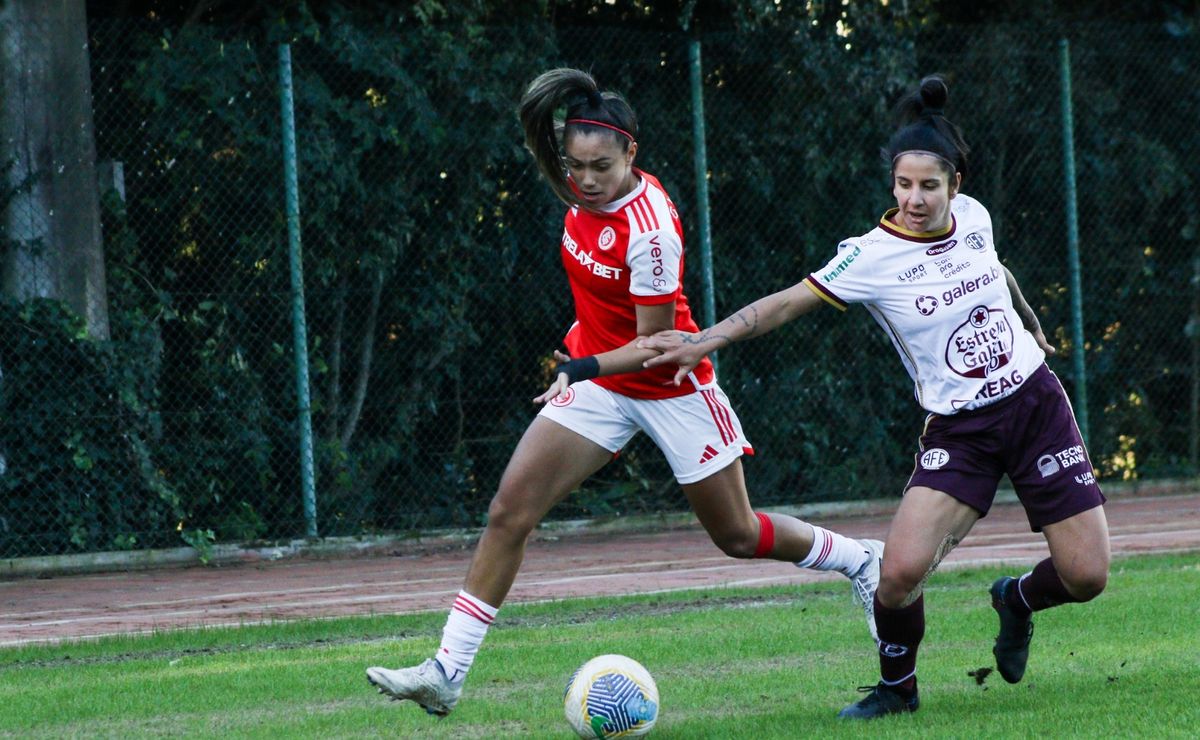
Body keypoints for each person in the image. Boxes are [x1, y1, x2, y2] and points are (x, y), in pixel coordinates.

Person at [365, 67, 884, 717]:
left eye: (600, 167)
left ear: (631, 154)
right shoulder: (576, 185)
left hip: (668, 383)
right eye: (575, 165)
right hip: (599, 379)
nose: (584, 180)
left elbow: (655, 344)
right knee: (509, 511)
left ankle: (861, 560)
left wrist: (579, 368)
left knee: (737, 533)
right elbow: (543, 145)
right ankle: (447, 672)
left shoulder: (651, 227)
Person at [637, 75, 1110, 720]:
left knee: (1086, 576)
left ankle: (1016, 601)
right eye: (904, 184)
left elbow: (996, 271)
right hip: (960, 430)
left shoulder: (975, 219)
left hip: (1035, 407)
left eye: (929, 186)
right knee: (898, 574)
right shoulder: (869, 257)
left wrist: (1029, 324)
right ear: (893, 182)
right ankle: (897, 690)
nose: (915, 198)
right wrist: (702, 342)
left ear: (955, 187)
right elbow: (783, 305)